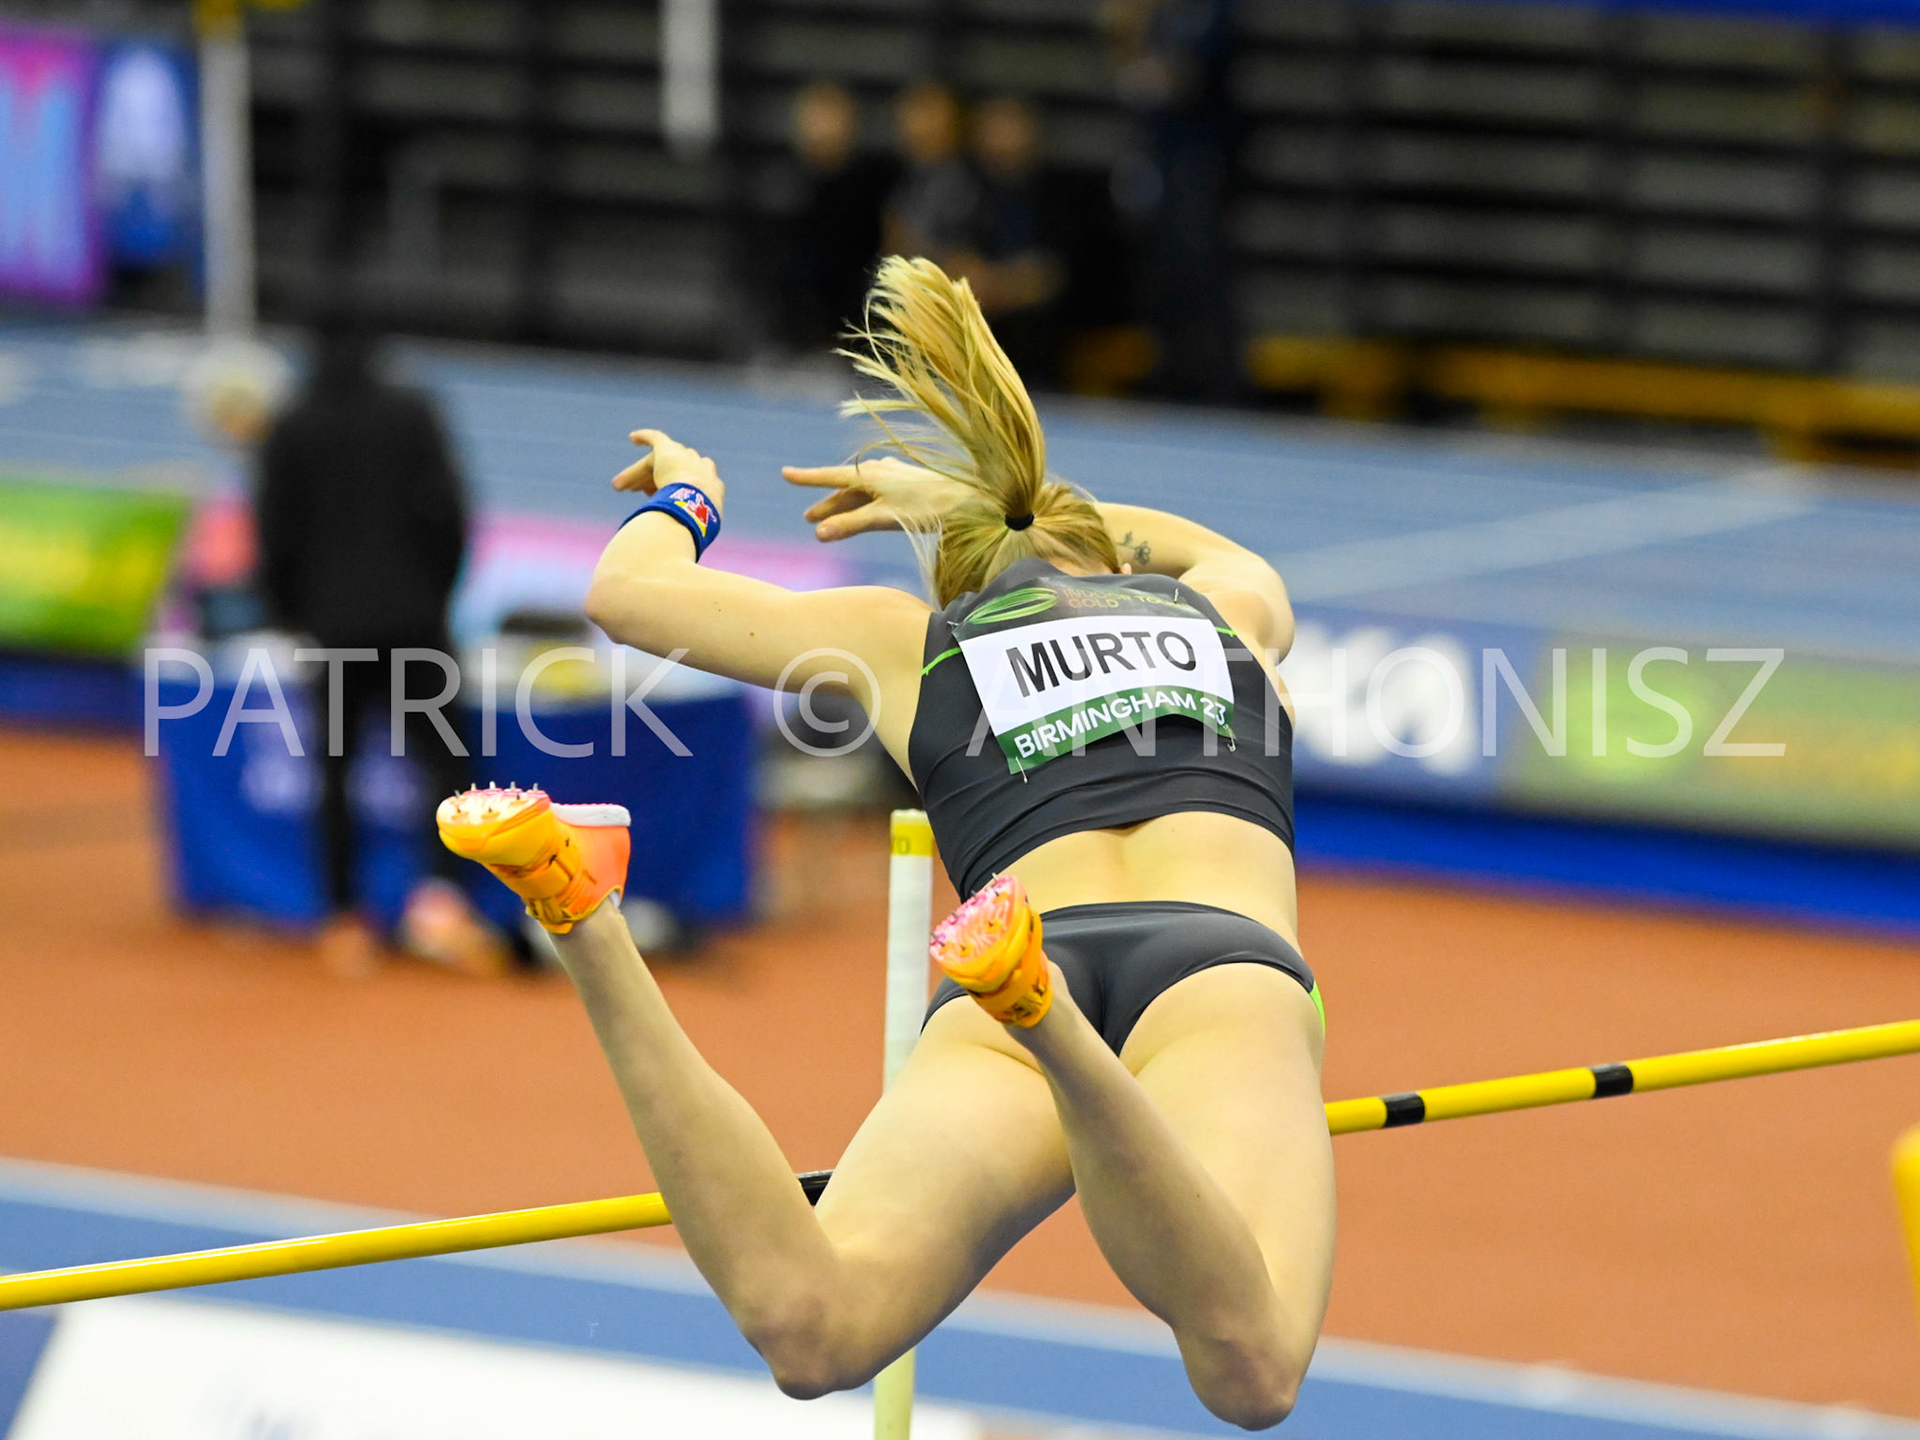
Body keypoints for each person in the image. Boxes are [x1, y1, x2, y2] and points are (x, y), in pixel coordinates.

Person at [436, 256, 1330, 1428]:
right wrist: (960, 498)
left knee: (814, 1327)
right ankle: (1053, 1025)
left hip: (1025, 959)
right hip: (1213, 972)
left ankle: (584, 914)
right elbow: (1204, 549)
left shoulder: (907, 640)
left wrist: (687, 498)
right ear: (1109, 556)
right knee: (1251, 1368)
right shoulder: (1227, 611)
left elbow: (624, 597)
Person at [256, 321, 509, 978]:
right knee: (447, 763)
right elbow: (449, 514)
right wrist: (435, 596)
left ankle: (344, 918)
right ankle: (440, 905)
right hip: (415, 621)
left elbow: (275, 531)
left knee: (335, 771)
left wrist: (295, 615)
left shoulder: (292, 424)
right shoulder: (413, 411)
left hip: (332, 628)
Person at [776, 81, 897, 350]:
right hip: (797, 331)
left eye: (832, 118)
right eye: (816, 119)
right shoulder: (784, 192)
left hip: (859, 329)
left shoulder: (875, 184)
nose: (824, 129)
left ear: (851, 125)